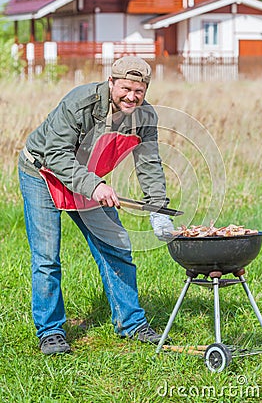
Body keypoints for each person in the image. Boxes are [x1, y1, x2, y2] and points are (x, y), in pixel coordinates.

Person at [18, 56, 174, 355]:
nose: (132, 96)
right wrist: (96, 186)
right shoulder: (80, 102)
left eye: (139, 91)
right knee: (47, 257)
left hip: (86, 178)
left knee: (116, 246)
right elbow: (56, 155)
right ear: (111, 82)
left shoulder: (145, 117)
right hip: (42, 173)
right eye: (126, 88)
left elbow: (149, 163)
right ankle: (51, 332)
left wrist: (158, 208)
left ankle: (132, 323)